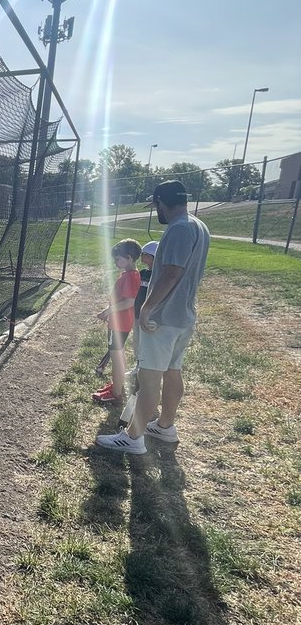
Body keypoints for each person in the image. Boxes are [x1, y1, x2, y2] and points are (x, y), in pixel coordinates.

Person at [96, 181, 210, 453]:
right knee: (172, 371)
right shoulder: (198, 225)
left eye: (156, 205)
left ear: (162, 202)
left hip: (162, 318)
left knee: (148, 378)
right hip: (182, 316)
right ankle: (165, 426)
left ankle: (133, 437)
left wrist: (147, 307)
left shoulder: (179, 228)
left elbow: (171, 272)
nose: (156, 210)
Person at [93, 239, 142, 406]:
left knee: (116, 357)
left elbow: (129, 301)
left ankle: (116, 394)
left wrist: (108, 311)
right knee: (117, 355)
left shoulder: (130, 277)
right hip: (119, 322)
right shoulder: (129, 275)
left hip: (119, 324)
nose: (116, 262)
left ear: (129, 258)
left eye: (118, 259)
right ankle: (117, 386)